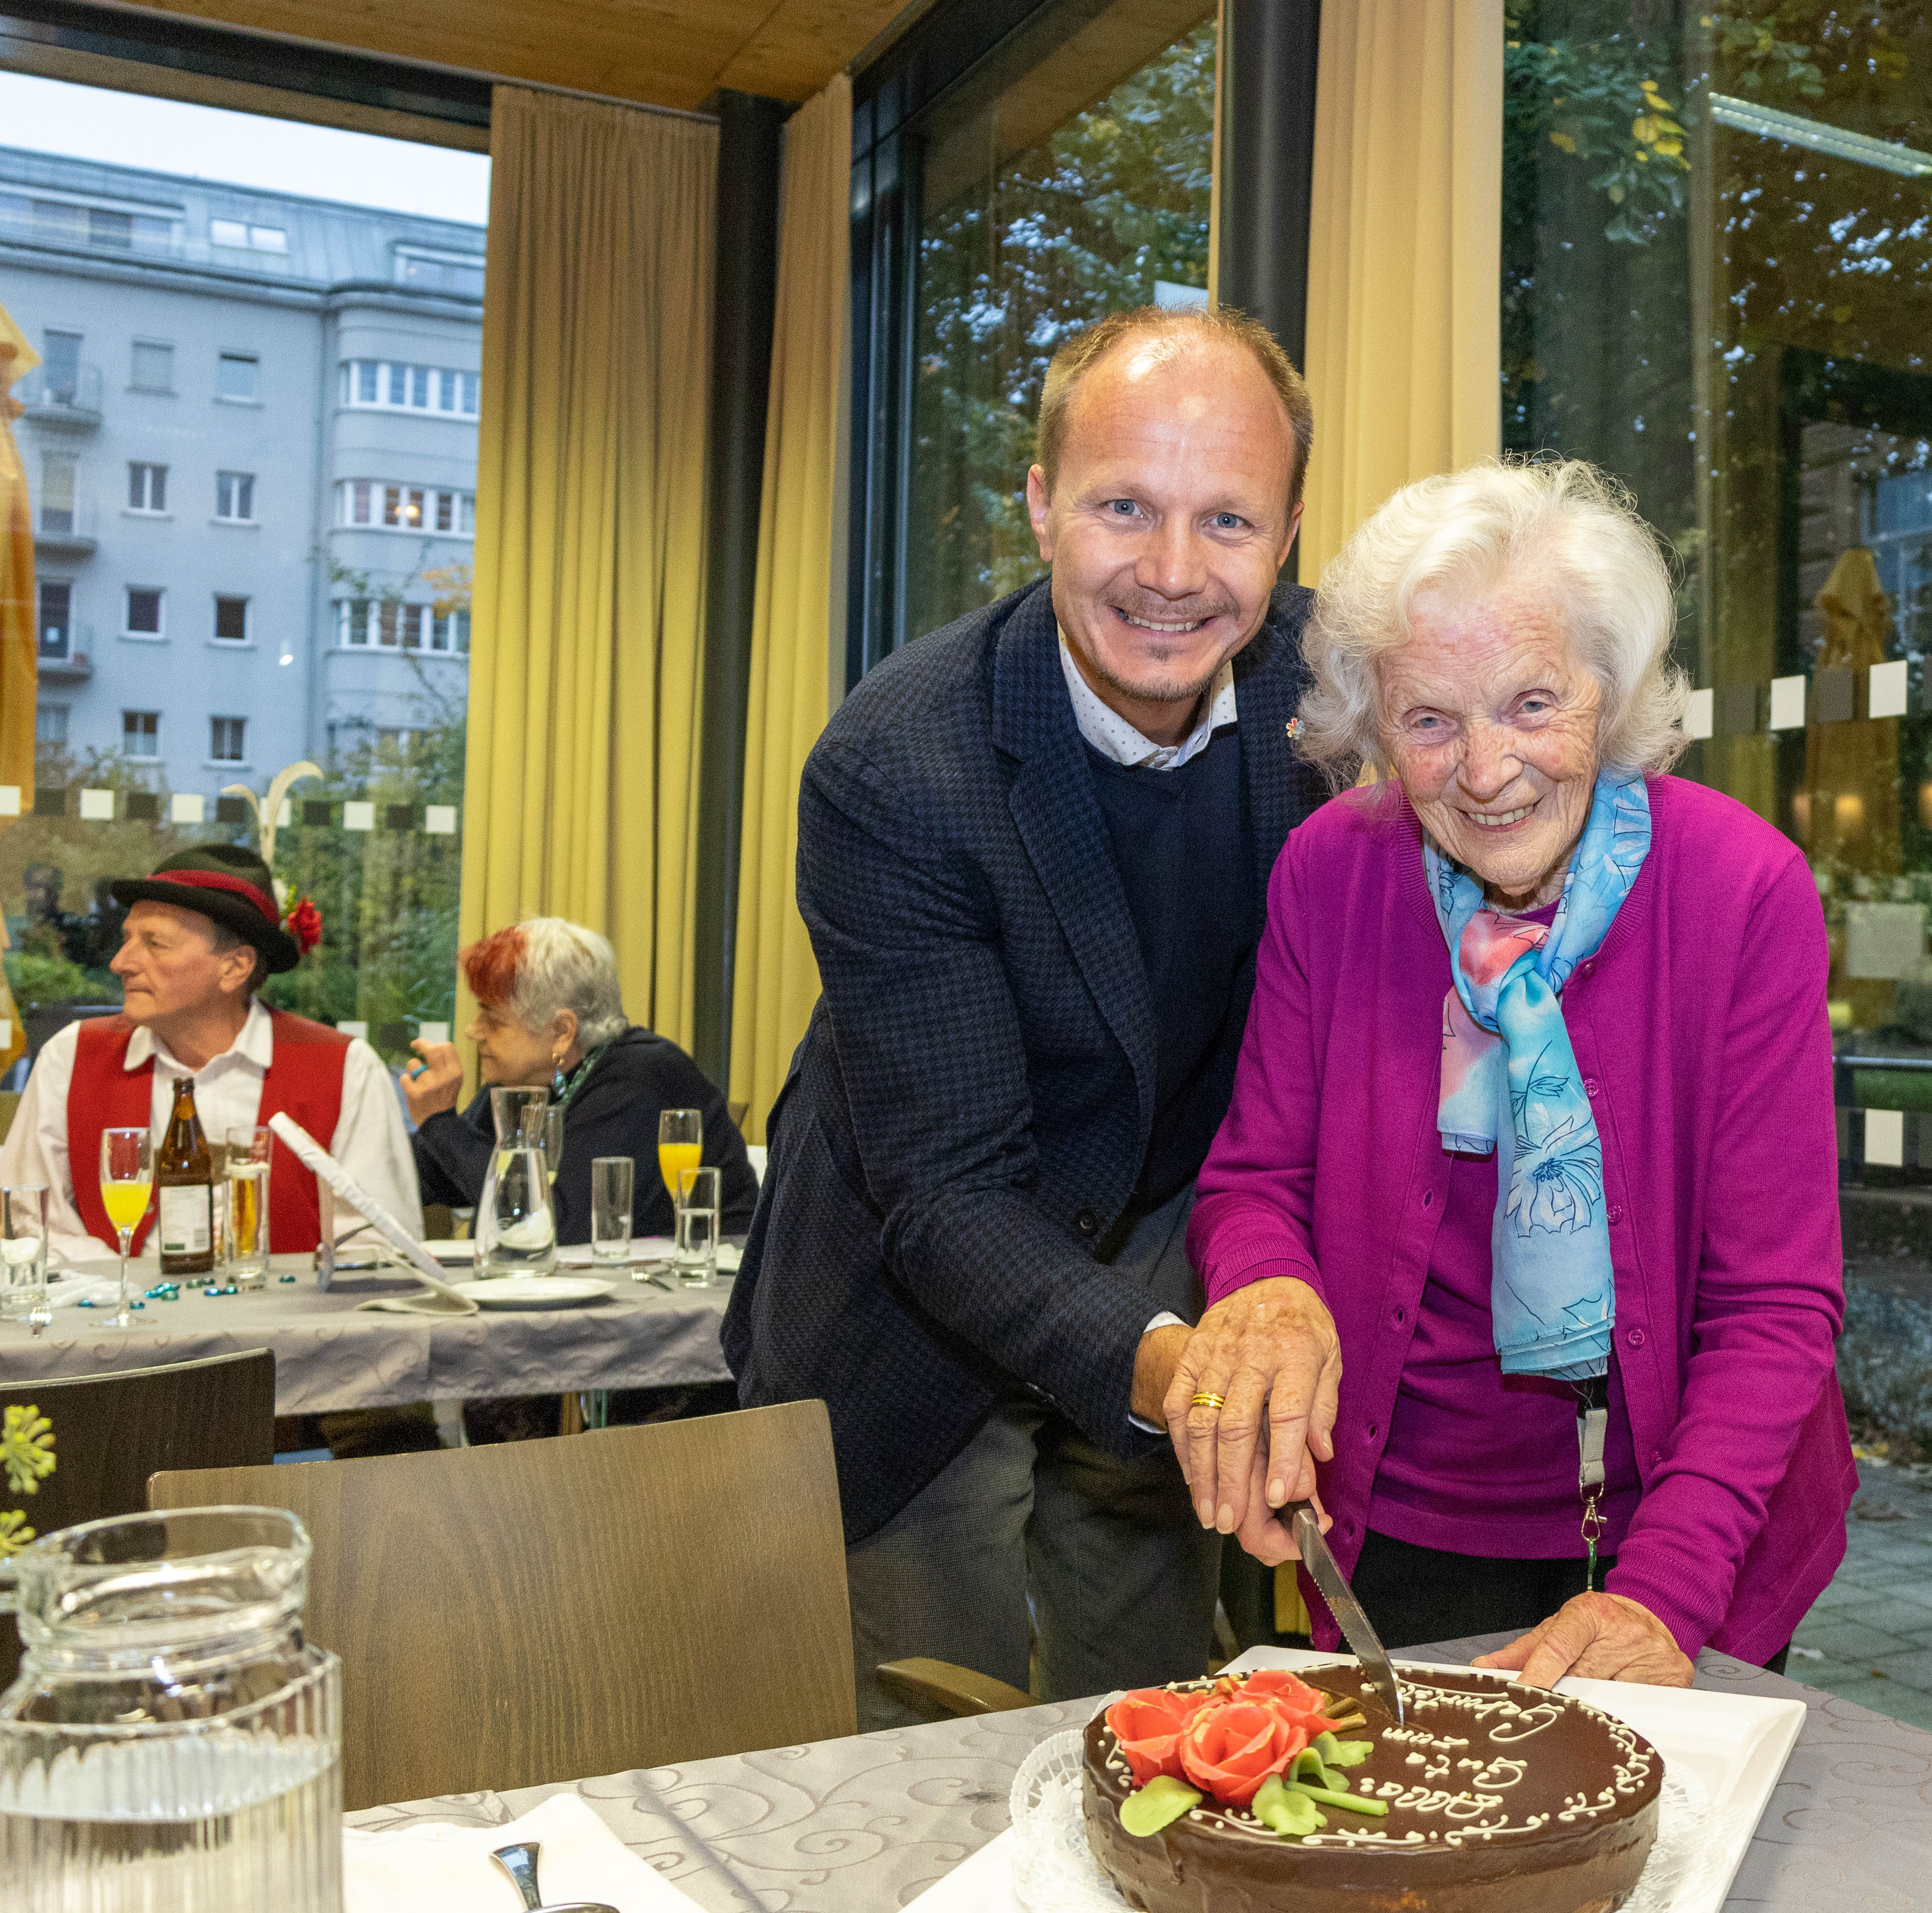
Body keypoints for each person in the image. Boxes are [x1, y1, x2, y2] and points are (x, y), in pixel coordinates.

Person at [724, 304, 1333, 1725]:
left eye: (1228, 521)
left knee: (1171, 1727)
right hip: (914, 1305)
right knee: (944, 1749)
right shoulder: (896, 766)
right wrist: (1184, 1369)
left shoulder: (1337, 696)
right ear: (1043, 505)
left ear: (1290, 535)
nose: (1175, 574)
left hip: (1167, 1259)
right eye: (1126, 506)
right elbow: (942, 1192)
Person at [1170, 460, 1855, 1688]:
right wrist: (1265, 1287)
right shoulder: (1332, 872)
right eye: (1428, 721)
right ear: (1376, 727)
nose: (1484, 771)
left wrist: (1664, 1588)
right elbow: (1255, 1177)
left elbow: (1773, 1304)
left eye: (1532, 702)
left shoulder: (1741, 890)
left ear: (1612, 687)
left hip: (1692, 1517)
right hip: (1400, 1520)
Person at [0, 844, 419, 1257]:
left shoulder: (344, 1068)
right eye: (127, 939)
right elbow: (26, 1219)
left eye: (155, 943)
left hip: (285, 1326)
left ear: (234, 967)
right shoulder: (72, 1057)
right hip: (114, 1321)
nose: (121, 962)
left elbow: (378, 1244)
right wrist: (125, 1289)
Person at [404, 917, 755, 1240]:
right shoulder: (529, 1081)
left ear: (561, 1031)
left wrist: (440, 1122)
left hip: (703, 1292)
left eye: (493, 1022)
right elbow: (444, 1181)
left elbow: (558, 1225)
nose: (472, 1031)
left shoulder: (639, 1080)